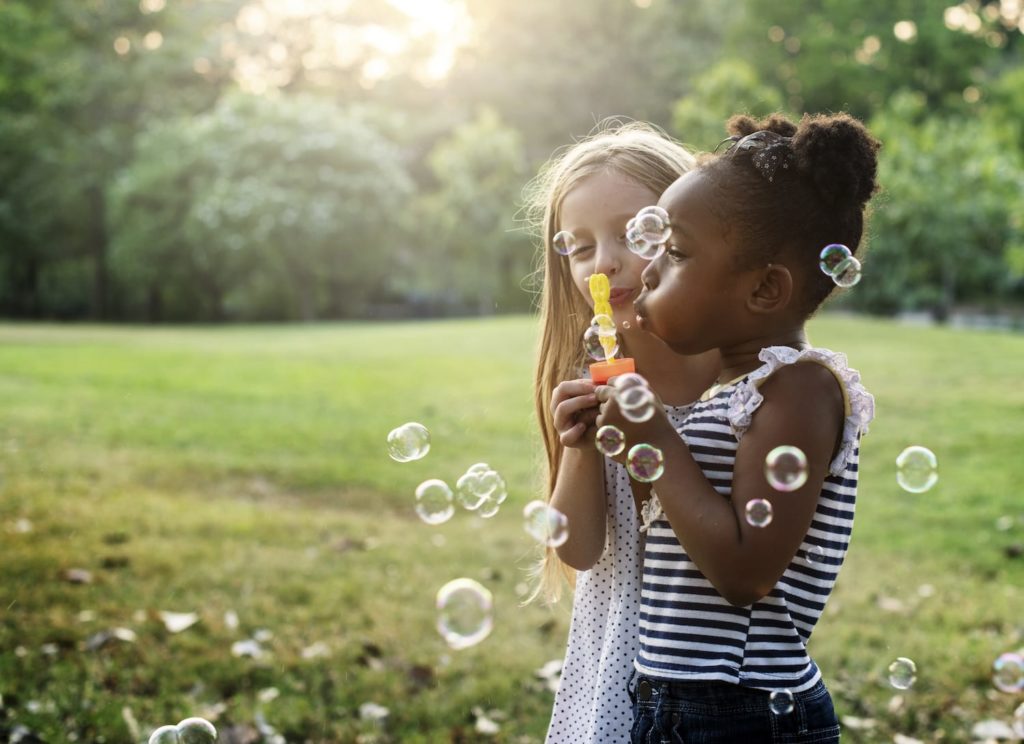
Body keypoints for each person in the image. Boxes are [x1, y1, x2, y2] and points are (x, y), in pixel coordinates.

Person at [593, 112, 879, 743]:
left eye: (675, 252)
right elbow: (682, 538)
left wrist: (658, 443)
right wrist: (625, 440)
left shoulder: (799, 390)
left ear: (765, 290)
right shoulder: (729, 396)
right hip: (673, 700)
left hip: (741, 710)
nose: (645, 271)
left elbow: (746, 572)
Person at [522, 120, 719, 743]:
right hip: (610, 660)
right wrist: (581, 447)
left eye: (634, 233)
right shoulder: (591, 379)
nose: (605, 262)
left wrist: (652, 435)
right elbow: (577, 551)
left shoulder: (733, 376)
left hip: (704, 672)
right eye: (580, 247)